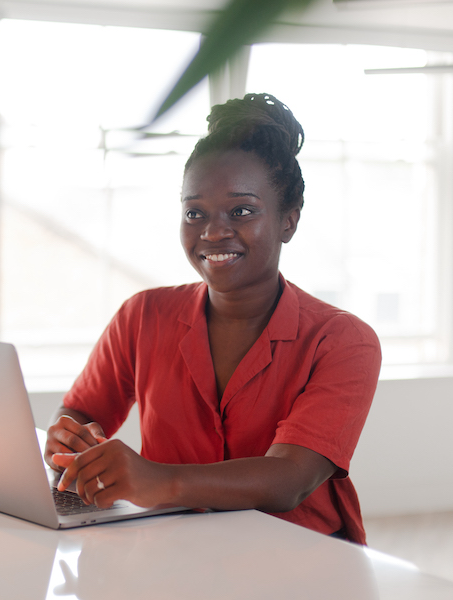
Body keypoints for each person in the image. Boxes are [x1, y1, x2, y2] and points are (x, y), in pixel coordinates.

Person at [44, 93, 381, 545]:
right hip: (171, 546)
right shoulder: (142, 316)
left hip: (299, 558)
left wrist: (157, 479)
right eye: (194, 213)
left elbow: (289, 480)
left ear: (289, 221)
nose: (213, 231)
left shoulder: (342, 340)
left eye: (241, 211)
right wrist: (70, 439)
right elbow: (83, 411)